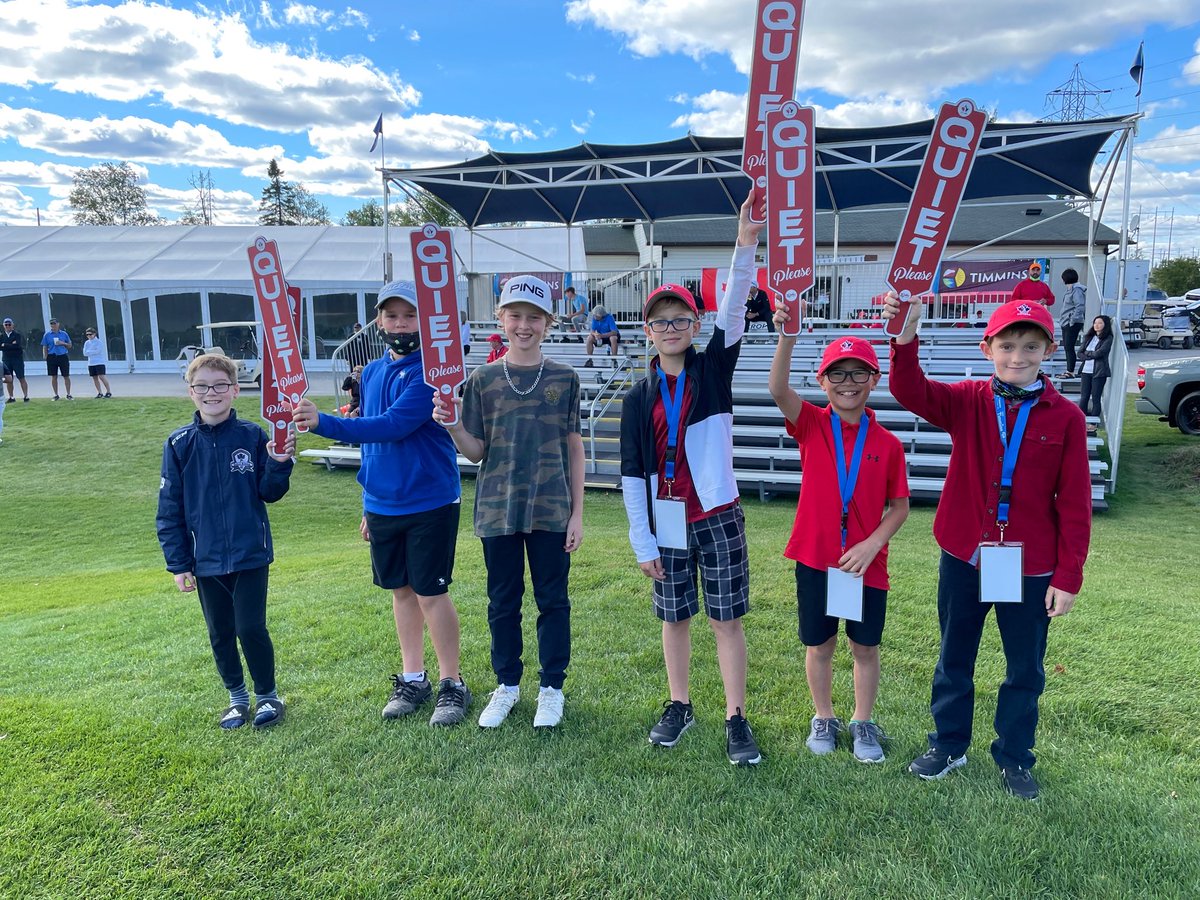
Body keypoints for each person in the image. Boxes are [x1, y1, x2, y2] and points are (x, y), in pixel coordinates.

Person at [883, 294, 1091, 800]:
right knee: (955, 656)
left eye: (1030, 346)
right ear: (987, 347)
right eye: (1007, 345)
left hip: (1031, 564)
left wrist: (1068, 577)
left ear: (1048, 349)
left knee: (1025, 667)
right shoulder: (969, 400)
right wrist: (907, 330)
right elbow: (908, 388)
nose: (1017, 356)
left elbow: (1075, 504)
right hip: (965, 555)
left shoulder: (1066, 418)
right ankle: (949, 744)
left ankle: (1015, 757)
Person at [620, 191, 765, 766]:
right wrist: (640, 538)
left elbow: (734, 309)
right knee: (674, 616)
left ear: (694, 324)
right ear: (649, 332)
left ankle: (735, 715)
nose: (671, 327)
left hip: (718, 513)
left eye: (680, 319)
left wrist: (744, 245)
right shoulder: (638, 395)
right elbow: (633, 470)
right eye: (661, 322)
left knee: (725, 618)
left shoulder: (713, 368)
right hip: (667, 519)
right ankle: (678, 703)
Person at [293, 281, 472, 726]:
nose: (401, 324)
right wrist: (367, 503)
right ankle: (414, 678)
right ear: (379, 321)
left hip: (429, 498)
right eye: (392, 316)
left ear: (426, 322)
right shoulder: (372, 372)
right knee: (401, 592)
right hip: (383, 504)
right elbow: (373, 444)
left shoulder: (434, 372)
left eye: (410, 316)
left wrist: (323, 423)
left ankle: (452, 683)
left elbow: (391, 426)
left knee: (431, 592)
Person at [433, 275, 584, 730]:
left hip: (551, 509)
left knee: (552, 600)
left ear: (548, 322)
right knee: (502, 601)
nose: (524, 325)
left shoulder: (565, 378)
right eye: (515, 315)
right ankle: (508, 685)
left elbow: (574, 446)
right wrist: (453, 427)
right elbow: (477, 452)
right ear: (501, 319)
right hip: (498, 510)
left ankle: (551, 688)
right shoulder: (481, 380)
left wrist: (578, 512)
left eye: (534, 317)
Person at [768, 321, 910, 763]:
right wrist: (787, 334)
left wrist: (871, 545)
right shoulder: (810, 423)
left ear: (874, 379)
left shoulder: (887, 444)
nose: (848, 384)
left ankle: (862, 720)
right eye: (838, 374)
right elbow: (777, 388)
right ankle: (824, 716)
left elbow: (900, 506)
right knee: (820, 644)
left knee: (865, 647)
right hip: (815, 558)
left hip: (866, 565)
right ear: (823, 380)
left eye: (858, 373)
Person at [156, 354, 295, 730]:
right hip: (205, 561)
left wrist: (280, 462)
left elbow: (269, 491)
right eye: (202, 386)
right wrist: (179, 564)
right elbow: (170, 511)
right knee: (220, 632)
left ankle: (268, 695)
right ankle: (237, 699)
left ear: (235, 390)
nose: (211, 393)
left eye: (219, 385)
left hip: (251, 554)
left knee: (250, 628)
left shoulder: (252, 436)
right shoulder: (179, 444)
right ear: (191, 392)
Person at [1078, 315, 1113, 435]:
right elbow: (1080, 353)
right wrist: (1090, 354)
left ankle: (1093, 424)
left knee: (1096, 397)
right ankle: (1080, 421)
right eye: (1095, 323)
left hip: (1099, 371)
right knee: (1084, 396)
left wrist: (1087, 354)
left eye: (1100, 323)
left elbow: (1100, 353)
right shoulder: (1089, 337)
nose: (1096, 325)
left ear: (1105, 325)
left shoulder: (1108, 338)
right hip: (1085, 371)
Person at [1058, 269, 1086, 378]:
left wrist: (1072, 320)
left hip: (1072, 323)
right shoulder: (1071, 289)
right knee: (1067, 347)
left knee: (1069, 347)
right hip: (1066, 322)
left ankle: (1070, 371)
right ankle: (1069, 370)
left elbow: (1080, 306)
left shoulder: (1077, 290)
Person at [41, 318, 73, 400]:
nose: (53, 325)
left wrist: (63, 343)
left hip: (62, 355)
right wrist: (45, 356)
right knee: (54, 376)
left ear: (58, 324)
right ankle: (56, 395)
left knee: (66, 376)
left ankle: (68, 394)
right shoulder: (47, 335)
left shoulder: (64, 334)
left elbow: (70, 345)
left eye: (54, 323)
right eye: (51, 324)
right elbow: (44, 346)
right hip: (52, 356)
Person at [2, 317, 30, 402]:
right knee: (9, 379)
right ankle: (11, 397)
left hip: (17, 359)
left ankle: (25, 396)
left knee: (21, 377)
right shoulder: (1, 336)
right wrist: (11, 344)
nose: (7, 326)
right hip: (7, 359)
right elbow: (1, 346)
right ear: (4, 326)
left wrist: (5, 345)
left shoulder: (17, 335)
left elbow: (18, 346)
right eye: (6, 325)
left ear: (12, 325)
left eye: (9, 324)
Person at [82, 327, 113, 398]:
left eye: (90, 334)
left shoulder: (99, 342)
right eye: (87, 335)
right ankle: (100, 392)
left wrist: (89, 352)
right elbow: (85, 353)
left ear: (94, 334)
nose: (89, 336)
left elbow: (98, 351)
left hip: (99, 362)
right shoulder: (87, 343)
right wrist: (91, 352)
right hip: (91, 363)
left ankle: (108, 391)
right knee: (94, 378)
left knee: (102, 377)